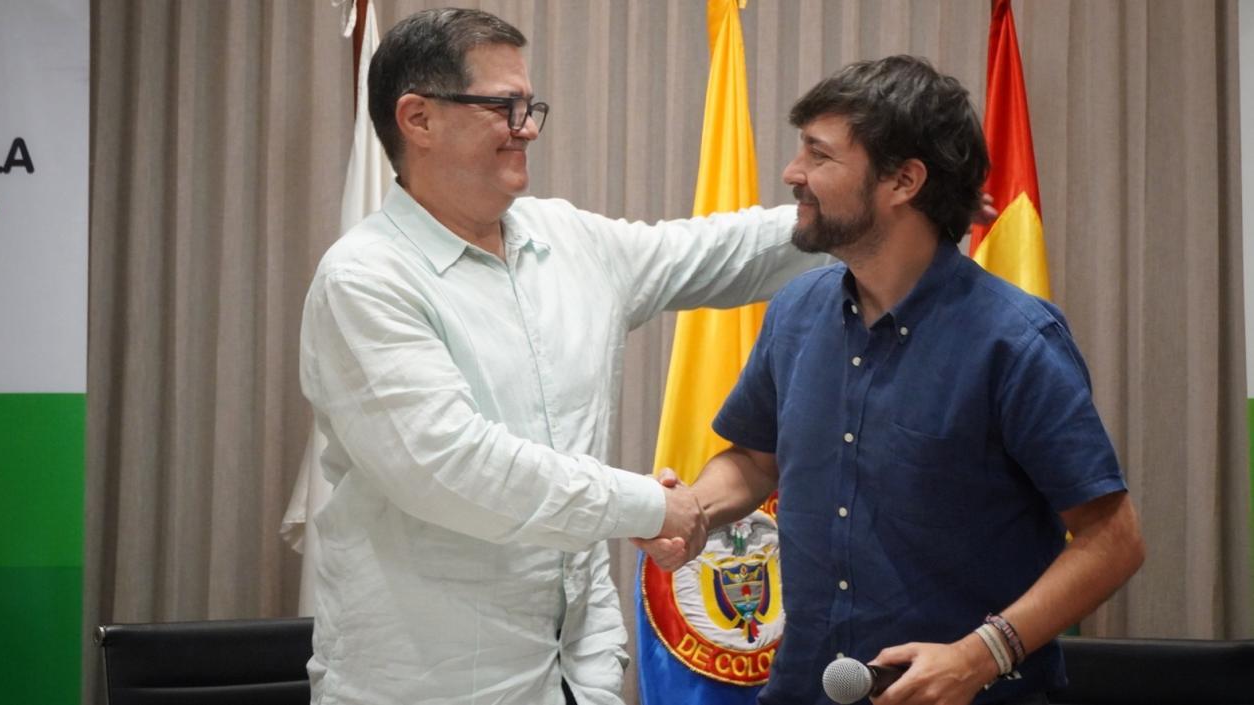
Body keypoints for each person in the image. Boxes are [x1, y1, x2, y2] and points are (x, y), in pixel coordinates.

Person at [297, 8, 831, 705]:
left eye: (530, 105)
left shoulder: (567, 240)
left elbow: (712, 251)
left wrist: (855, 210)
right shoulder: (365, 280)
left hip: (577, 674)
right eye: (503, 107)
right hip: (427, 685)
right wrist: (648, 505)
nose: (527, 128)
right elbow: (457, 467)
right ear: (418, 119)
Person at [639, 56, 1145, 705]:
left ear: (904, 180)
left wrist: (981, 653)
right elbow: (753, 457)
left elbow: (1115, 538)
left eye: (819, 156)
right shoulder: (795, 312)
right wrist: (692, 510)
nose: (793, 174)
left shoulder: (1015, 340)